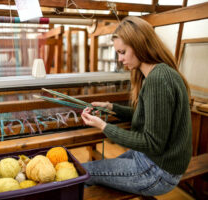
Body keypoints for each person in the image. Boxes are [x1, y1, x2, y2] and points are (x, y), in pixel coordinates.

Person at [81, 16, 192, 196]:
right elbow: (152, 117)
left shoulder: (158, 79)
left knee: (82, 171)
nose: (120, 59)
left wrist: (103, 126)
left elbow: (152, 143)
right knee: (94, 170)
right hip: (154, 162)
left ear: (139, 45)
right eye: (118, 53)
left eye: (122, 52)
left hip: (158, 172)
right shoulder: (160, 73)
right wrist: (112, 107)